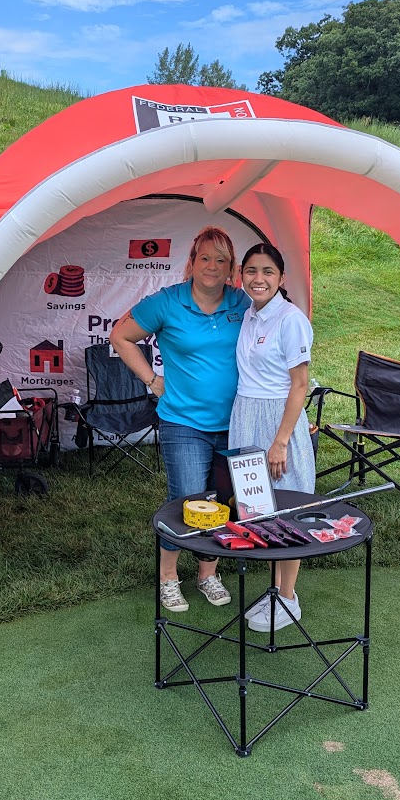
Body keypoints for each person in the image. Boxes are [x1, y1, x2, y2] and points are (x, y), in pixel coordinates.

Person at [109, 225, 251, 613]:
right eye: (205, 257)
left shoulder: (243, 303)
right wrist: (152, 379)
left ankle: (208, 573)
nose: (212, 266)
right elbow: (120, 336)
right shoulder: (168, 302)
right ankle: (168, 578)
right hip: (183, 423)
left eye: (221, 260)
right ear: (191, 262)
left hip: (235, 423)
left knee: (222, 501)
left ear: (231, 268)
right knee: (186, 501)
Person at [229, 242, 315, 632]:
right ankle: (275, 590)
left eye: (267, 271)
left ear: (282, 278)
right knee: (258, 508)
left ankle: (289, 597)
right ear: (241, 275)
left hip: (278, 422)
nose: (258, 278)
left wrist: (280, 441)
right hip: (245, 416)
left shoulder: (291, 319)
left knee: (287, 508)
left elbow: (300, 385)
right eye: (251, 270)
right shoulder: (249, 314)